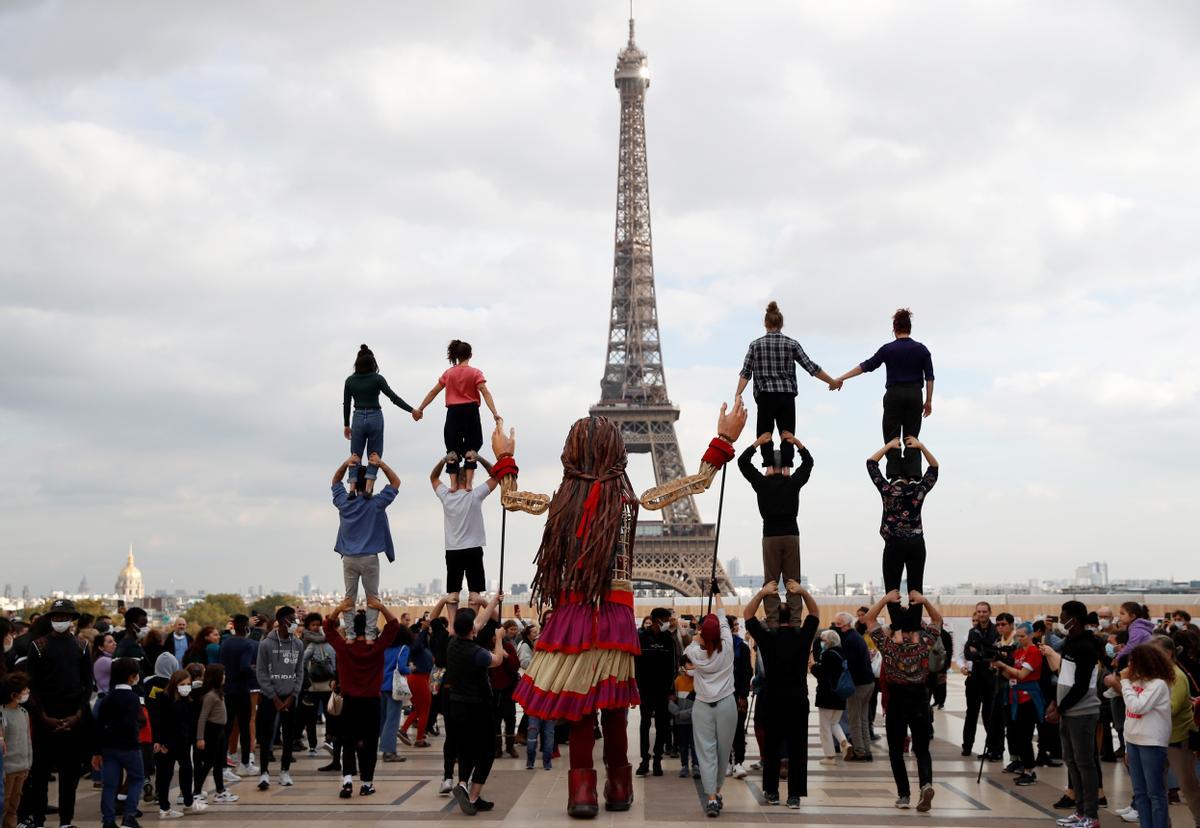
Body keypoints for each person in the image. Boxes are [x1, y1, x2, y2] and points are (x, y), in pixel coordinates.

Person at [502, 401, 746, 817]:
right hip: (614, 616)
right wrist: (723, 439)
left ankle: (581, 792)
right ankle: (618, 786)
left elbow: (510, 499)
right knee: (614, 710)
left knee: (579, 711)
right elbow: (699, 482)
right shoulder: (630, 503)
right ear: (617, 451)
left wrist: (505, 456)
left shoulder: (558, 503)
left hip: (572, 616)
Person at [735, 301, 840, 472]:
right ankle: (786, 467)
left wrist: (738, 394)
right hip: (786, 395)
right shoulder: (792, 344)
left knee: (765, 433)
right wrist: (832, 382)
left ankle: (769, 466)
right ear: (781, 324)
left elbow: (746, 373)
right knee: (787, 432)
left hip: (765, 395)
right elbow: (811, 367)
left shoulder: (755, 345)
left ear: (765, 324)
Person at [743, 579, 820, 809]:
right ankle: (794, 795)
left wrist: (763, 592)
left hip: (773, 698)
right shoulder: (802, 637)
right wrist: (803, 591)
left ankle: (772, 791)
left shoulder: (768, 639)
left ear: (775, 618)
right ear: (794, 617)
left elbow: (748, 615)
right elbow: (814, 612)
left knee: (772, 747)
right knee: (798, 748)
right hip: (797, 698)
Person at [865, 589, 943, 812]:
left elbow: (869, 619)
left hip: (897, 701)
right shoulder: (923, 645)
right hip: (919, 699)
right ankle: (926, 784)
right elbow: (938, 620)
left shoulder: (889, 647)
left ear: (897, 630)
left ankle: (904, 795)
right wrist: (925, 600)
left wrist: (886, 599)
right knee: (922, 749)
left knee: (895, 750)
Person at [834, 308, 935, 479]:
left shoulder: (888, 349)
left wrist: (842, 377)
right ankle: (913, 475)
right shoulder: (922, 350)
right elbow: (930, 378)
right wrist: (928, 401)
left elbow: (866, 366)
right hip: (914, 394)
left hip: (894, 394)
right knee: (911, 436)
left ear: (894, 329)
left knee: (892, 435)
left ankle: (895, 476)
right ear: (909, 328)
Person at [323, 596, 405, 797]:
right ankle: (367, 784)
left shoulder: (344, 648)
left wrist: (340, 609)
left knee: (348, 741)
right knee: (368, 744)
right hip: (371, 702)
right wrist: (381, 607)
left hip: (349, 702)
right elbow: (394, 626)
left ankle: (347, 782)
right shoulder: (376, 648)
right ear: (370, 628)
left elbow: (328, 628)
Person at [24, 598, 93, 828]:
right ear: (50, 620)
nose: (60, 621)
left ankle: (66, 821)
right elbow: (30, 685)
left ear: (72, 620)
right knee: (40, 775)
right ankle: (39, 821)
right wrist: (42, 715)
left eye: (64, 617)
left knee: (69, 776)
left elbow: (87, 684)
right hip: (45, 718)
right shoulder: (38, 646)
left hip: (73, 718)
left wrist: (79, 714)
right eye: (56, 617)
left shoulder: (82, 646)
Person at [737, 432, 813, 628]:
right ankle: (795, 622)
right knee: (793, 581)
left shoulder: (761, 484)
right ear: (786, 468)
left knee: (770, 582)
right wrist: (797, 442)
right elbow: (808, 463)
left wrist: (758, 443)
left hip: (770, 536)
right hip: (791, 535)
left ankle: (772, 622)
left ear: (769, 467)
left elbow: (743, 462)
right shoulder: (793, 483)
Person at [866, 435, 938, 630]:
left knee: (892, 589)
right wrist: (921, 446)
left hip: (894, 544)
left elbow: (871, 464)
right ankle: (914, 629)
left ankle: (897, 628)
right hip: (916, 543)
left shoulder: (888, 491)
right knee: (916, 588)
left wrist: (888, 445)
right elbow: (934, 468)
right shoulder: (917, 492)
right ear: (910, 479)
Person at [445, 594, 507, 816]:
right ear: (472, 630)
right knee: (486, 751)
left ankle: (462, 784)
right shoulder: (477, 654)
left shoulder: (453, 643)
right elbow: (498, 660)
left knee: (466, 748)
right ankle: (472, 796)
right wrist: (499, 638)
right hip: (478, 707)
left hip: (457, 705)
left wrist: (493, 601)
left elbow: (479, 622)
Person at [415, 340, 501, 490]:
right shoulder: (475, 373)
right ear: (470, 355)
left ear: (456, 355)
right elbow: (485, 392)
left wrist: (421, 408)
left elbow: (433, 392)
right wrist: (494, 413)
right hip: (470, 411)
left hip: (453, 413)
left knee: (452, 448)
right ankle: (468, 483)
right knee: (472, 447)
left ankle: (453, 484)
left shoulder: (449, 373)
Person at [1047, 599, 1102, 828]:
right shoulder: (1070, 641)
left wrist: (1061, 708)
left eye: (1063, 614)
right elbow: (1064, 676)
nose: (1060, 619)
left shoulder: (1087, 646)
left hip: (1082, 713)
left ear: (1074, 619)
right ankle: (1080, 811)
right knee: (1071, 761)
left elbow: (1080, 686)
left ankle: (1091, 815)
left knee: (1085, 763)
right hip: (1068, 711)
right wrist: (1054, 701)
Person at [332, 452, 400, 636]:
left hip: (348, 558)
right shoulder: (376, 502)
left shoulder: (344, 502)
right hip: (370, 557)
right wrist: (380, 464)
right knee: (373, 598)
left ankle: (351, 634)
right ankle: (370, 635)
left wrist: (347, 463)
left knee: (349, 599)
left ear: (353, 482)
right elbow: (396, 483)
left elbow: (335, 482)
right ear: (370, 482)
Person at [1106, 644, 1174, 828]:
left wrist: (1125, 682)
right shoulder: (1136, 683)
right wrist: (1127, 746)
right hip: (1134, 742)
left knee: (1155, 793)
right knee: (1140, 792)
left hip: (1152, 743)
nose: (1129, 666)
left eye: (1132, 662)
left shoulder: (1158, 684)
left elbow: (1137, 707)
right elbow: (1130, 717)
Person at [430, 450, 498, 617]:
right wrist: (479, 458)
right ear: (469, 478)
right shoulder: (474, 495)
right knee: (475, 594)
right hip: (473, 548)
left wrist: (443, 460)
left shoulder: (446, 495)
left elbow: (433, 478)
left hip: (453, 549)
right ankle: (473, 626)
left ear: (453, 478)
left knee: (453, 594)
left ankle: (452, 627)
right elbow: (497, 476)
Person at [341, 344, 417, 494]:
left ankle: (352, 488)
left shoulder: (350, 381)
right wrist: (412, 410)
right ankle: (368, 488)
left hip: (357, 417)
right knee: (374, 455)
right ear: (373, 363)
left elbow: (347, 404)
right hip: (375, 416)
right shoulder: (377, 379)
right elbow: (393, 398)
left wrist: (346, 424)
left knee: (355, 455)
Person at [686, 599, 736, 818]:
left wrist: (698, 637)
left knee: (705, 752)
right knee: (723, 751)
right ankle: (716, 790)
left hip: (702, 706)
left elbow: (691, 645)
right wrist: (717, 596)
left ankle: (712, 799)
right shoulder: (729, 647)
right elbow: (723, 619)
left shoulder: (695, 653)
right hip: (727, 704)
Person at [254, 606, 304, 791]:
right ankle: (264, 773)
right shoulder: (266, 644)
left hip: (290, 696)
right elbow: (261, 672)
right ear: (283, 620)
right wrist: (273, 697)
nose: (295, 622)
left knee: (289, 735)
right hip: (270, 697)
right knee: (266, 736)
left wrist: (293, 694)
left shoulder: (298, 644)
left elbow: (299, 671)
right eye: (292, 619)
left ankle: (285, 771)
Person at [93, 657, 146, 828]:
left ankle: (108, 820)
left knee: (110, 785)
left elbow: (99, 725)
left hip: (109, 747)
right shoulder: (133, 698)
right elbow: (135, 722)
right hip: (129, 746)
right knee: (137, 778)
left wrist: (97, 751)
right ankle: (129, 815)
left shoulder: (107, 698)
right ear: (132, 677)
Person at [993, 621, 1044, 786]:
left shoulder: (1033, 651)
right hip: (1014, 695)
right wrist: (1000, 668)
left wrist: (1004, 666)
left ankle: (1030, 769)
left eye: (1022, 636)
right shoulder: (1018, 652)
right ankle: (1024, 765)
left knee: (1025, 735)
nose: (1020, 639)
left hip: (1028, 697)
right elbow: (1011, 676)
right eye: (1018, 636)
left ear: (1030, 635)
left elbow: (1022, 674)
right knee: (1015, 734)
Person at [153, 670, 208, 819]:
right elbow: (159, 722)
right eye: (182, 684)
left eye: (188, 684)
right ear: (174, 684)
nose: (186, 687)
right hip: (168, 744)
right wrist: (160, 741)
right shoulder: (164, 699)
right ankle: (164, 808)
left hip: (183, 743)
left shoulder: (188, 700)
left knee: (186, 771)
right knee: (166, 775)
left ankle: (188, 803)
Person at [636, 607, 677, 777]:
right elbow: (636, 664)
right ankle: (645, 759)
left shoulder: (669, 639)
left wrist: (671, 691)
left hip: (662, 690)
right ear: (656, 620)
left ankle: (658, 759)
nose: (668, 623)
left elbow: (672, 666)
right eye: (666, 620)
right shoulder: (641, 638)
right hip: (646, 689)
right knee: (645, 724)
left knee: (662, 725)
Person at [832, 611, 876, 761]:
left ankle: (860, 751)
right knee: (863, 718)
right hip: (868, 683)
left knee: (854, 720)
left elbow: (850, 665)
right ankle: (867, 750)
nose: (836, 627)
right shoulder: (856, 636)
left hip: (858, 685)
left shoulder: (849, 639)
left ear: (846, 624)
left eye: (839, 624)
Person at [218, 614, 257, 776]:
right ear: (246, 627)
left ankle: (222, 764)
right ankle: (245, 764)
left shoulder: (225, 643)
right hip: (242, 690)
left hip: (227, 689)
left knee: (226, 728)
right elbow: (245, 666)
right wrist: (256, 672)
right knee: (244, 727)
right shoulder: (247, 644)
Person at [193, 664, 238, 803]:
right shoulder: (210, 696)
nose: (225, 677)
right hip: (211, 731)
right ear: (216, 677)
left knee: (219, 762)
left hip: (220, 731)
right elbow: (202, 718)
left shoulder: (218, 692)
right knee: (208, 762)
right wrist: (200, 738)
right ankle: (197, 792)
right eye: (222, 674)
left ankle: (220, 791)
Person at [961, 601, 999, 758]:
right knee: (971, 713)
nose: (982, 614)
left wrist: (980, 653)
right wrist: (983, 654)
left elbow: (995, 653)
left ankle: (993, 748)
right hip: (975, 678)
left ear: (990, 612)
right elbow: (967, 653)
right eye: (979, 612)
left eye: (984, 611)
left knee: (990, 715)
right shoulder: (972, 632)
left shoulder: (996, 631)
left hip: (991, 679)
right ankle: (967, 746)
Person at [300, 612, 336, 756]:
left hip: (318, 685)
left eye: (317, 625)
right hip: (321, 685)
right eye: (313, 625)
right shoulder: (325, 643)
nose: (315, 627)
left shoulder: (316, 643)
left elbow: (303, 660)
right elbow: (334, 662)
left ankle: (319, 743)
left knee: (318, 716)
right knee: (322, 716)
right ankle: (322, 742)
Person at [399, 610, 435, 749]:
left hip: (420, 679)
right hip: (418, 679)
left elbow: (423, 643)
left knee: (419, 709)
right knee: (425, 710)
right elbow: (418, 643)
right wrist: (424, 630)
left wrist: (425, 629)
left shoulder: (420, 647)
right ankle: (419, 739)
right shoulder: (412, 647)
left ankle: (403, 730)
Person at [812, 629, 849, 764]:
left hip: (827, 696)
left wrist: (813, 668)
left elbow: (823, 675)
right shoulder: (842, 653)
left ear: (830, 641)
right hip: (840, 695)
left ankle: (829, 756)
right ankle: (844, 742)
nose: (822, 642)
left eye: (824, 640)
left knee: (824, 726)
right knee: (834, 723)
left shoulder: (827, 655)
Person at [2, 672, 32, 828]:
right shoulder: (2, 713)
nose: (27, 691)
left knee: (14, 805)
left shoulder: (24, 713)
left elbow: (27, 740)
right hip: (7, 769)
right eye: (24, 689)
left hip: (22, 767)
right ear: (14, 694)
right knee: (4, 804)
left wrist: (28, 762)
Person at [490, 620, 521, 759]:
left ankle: (510, 747)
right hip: (493, 690)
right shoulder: (488, 647)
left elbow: (515, 666)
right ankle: (497, 748)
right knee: (495, 720)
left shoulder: (508, 646)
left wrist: (506, 656)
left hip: (508, 689)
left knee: (510, 718)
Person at [728, 615, 752, 780]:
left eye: (737, 624)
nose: (737, 627)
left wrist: (743, 695)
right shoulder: (717, 646)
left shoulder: (742, 647)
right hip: (722, 694)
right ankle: (727, 762)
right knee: (723, 731)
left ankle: (739, 763)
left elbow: (746, 672)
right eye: (735, 625)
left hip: (737, 694)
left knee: (738, 730)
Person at [668, 659, 696, 779]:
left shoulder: (698, 682)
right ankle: (684, 765)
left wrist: (683, 714)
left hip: (694, 721)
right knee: (683, 745)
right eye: (690, 664)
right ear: (683, 666)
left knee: (695, 745)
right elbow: (671, 701)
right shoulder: (677, 681)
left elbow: (700, 705)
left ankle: (696, 765)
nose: (692, 666)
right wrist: (677, 713)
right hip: (680, 721)